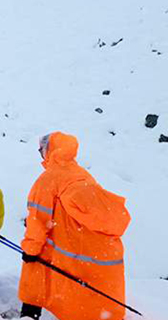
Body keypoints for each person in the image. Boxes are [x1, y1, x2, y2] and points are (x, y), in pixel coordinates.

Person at [19, 132, 130, 320]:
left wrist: (30, 249)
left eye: (42, 150)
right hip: (91, 250)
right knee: (83, 292)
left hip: (64, 248)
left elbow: (37, 221)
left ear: (49, 150)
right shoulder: (83, 174)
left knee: (35, 275)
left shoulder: (48, 180)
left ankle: (29, 315)